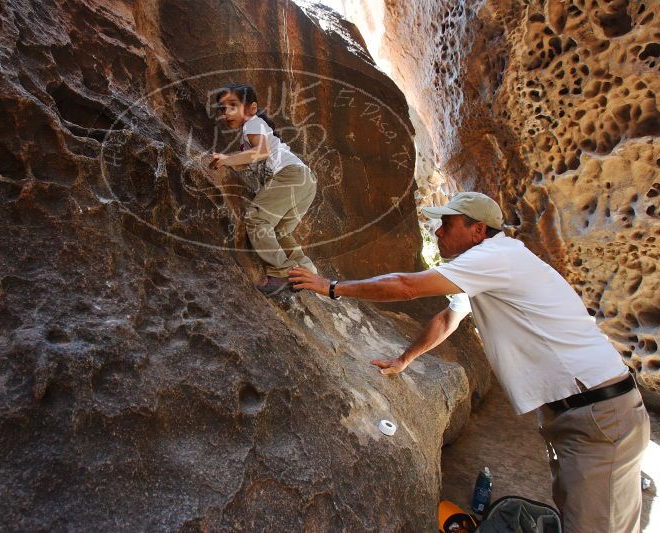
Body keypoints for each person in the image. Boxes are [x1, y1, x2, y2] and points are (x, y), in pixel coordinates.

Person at [289, 191, 650, 533]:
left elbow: (406, 286)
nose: (438, 231)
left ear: (478, 230)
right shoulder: (485, 269)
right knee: (583, 517)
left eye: (448, 224)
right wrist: (404, 359)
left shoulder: (497, 257)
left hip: (597, 415)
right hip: (581, 414)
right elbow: (448, 319)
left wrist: (332, 287)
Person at [210, 83, 317, 296]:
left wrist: (227, 159)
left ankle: (280, 272)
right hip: (305, 180)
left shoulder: (252, 124)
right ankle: (306, 272)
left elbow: (262, 151)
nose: (227, 113)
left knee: (257, 219)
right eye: (223, 108)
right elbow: (248, 160)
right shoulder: (251, 133)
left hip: (290, 175)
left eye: (233, 105)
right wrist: (226, 161)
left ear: (251, 109)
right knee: (280, 231)